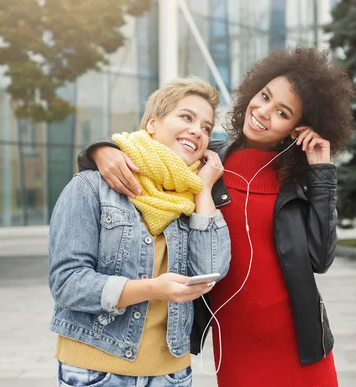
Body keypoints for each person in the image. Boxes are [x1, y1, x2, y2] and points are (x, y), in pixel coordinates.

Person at [78, 47, 355, 386]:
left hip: (303, 346)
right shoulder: (206, 162)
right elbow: (148, 151)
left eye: (282, 112)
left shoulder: (300, 181)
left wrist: (322, 170)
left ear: (297, 128)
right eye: (264, 96)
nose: (264, 111)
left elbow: (320, 258)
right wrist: (100, 150)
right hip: (236, 346)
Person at [49, 77, 231, 387]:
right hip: (96, 371)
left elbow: (211, 271)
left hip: (171, 374)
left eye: (206, 127)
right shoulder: (90, 187)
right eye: (186, 117)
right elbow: (67, 283)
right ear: (152, 123)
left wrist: (203, 190)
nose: (197, 131)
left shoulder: (192, 197)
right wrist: (152, 289)